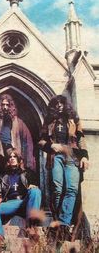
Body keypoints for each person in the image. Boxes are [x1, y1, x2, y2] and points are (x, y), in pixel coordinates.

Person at [38, 95, 89, 241]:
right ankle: (57, 219)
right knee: (58, 188)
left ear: (66, 105)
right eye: (56, 103)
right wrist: (50, 146)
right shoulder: (49, 121)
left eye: (61, 103)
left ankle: (64, 223)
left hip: (72, 157)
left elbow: (81, 139)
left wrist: (85, 156)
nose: (59, 105)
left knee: (72, 189)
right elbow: (40, 141)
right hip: (56, 157)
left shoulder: (74, 120)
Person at [0, 94, 35, 208]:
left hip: (9, 150)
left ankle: (7, 203)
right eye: (3, 104)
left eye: (7, 105)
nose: (5, 107)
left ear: (11, 106)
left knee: (9, 176)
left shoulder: (14, 119)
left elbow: (24, 137)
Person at [0, 148, 41, 250]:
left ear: (19, 159)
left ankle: (31, 228)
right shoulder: (3, 176)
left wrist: (32, 186)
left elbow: (33, 188)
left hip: (24, 202)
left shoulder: (27, 173)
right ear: (8, 161)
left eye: (14, 156)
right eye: (10, 157)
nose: (12, 159)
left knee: (36, 191)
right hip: (9, 203)